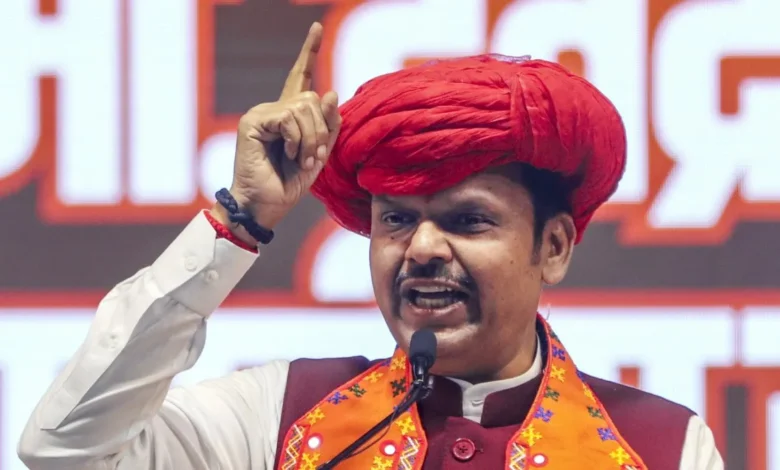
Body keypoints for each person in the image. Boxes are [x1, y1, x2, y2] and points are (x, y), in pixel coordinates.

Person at [18, 22, 723, 470]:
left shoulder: (661, 447)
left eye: (468, 221)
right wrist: (240, 221)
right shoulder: (281, 417)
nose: (422, 248)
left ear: (555, 247)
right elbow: (63, 450)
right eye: (396, 221)